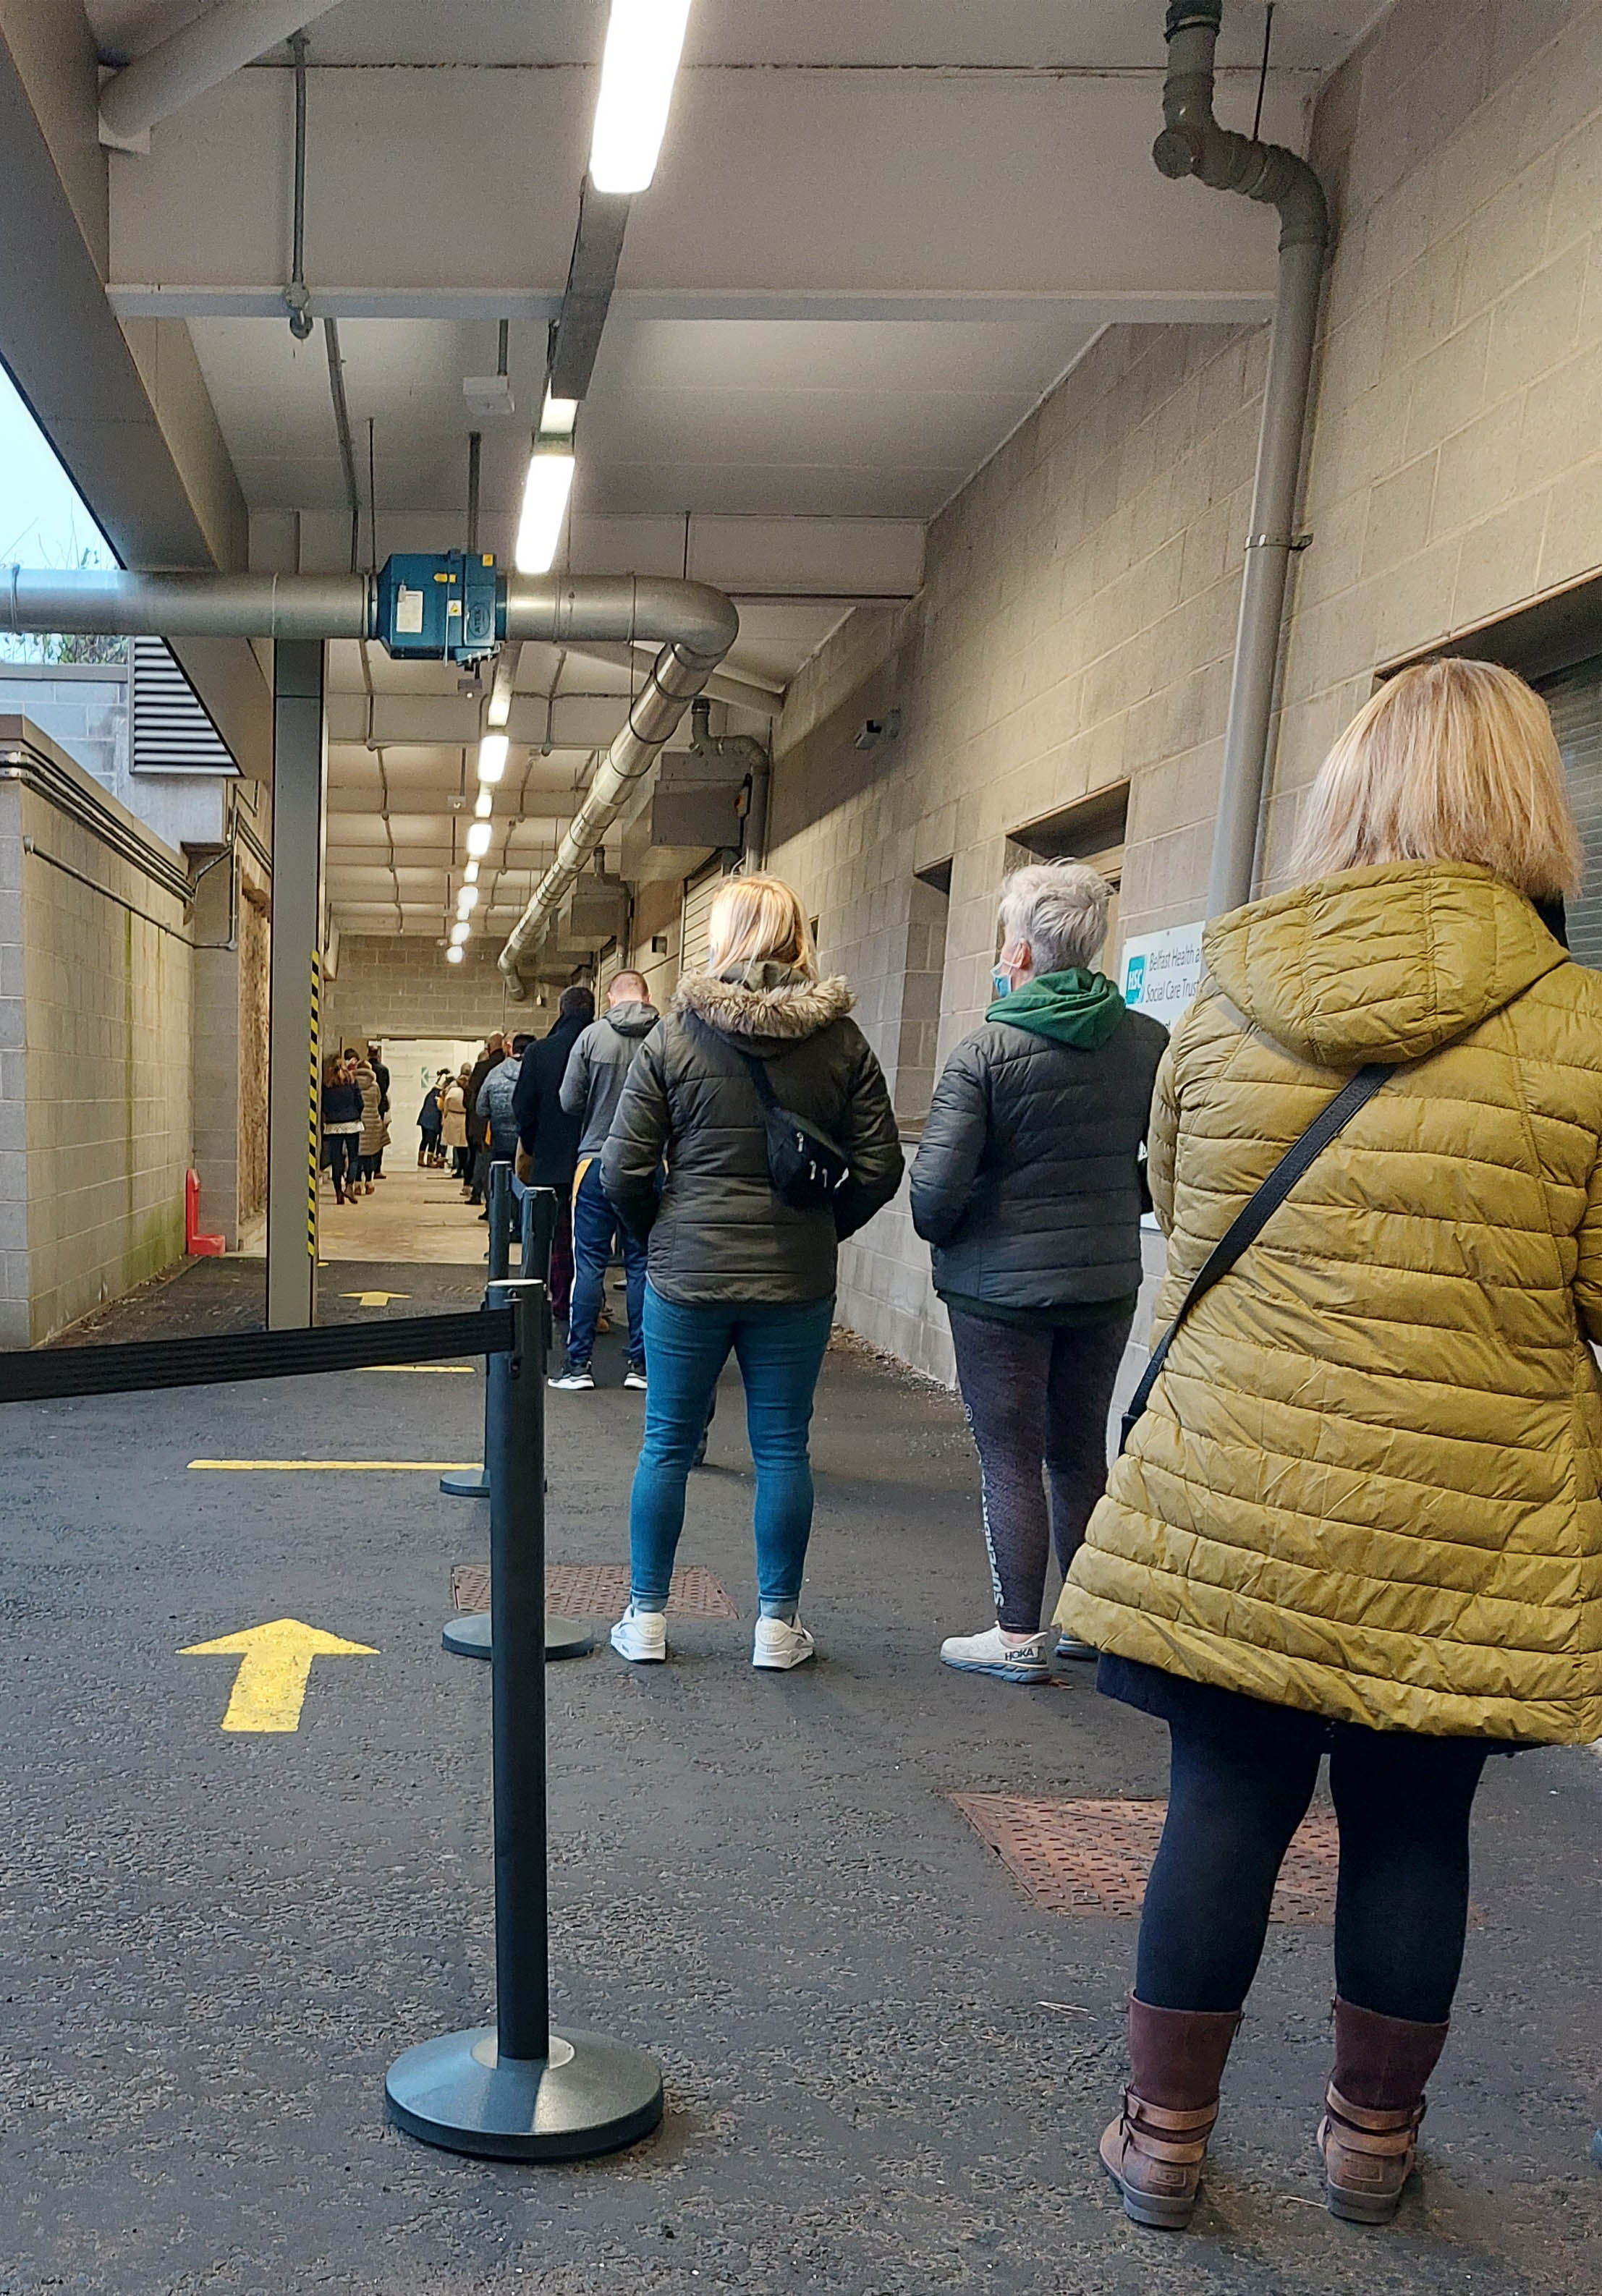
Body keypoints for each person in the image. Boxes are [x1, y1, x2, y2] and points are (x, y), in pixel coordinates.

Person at [1059, 660, 1602, 2231]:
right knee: (1417, 1823)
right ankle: (1371, 2144)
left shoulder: (1221, 1002)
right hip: (1468, 1502)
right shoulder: (1578, 1031)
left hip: (1239, 1484)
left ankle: (1162, 2137)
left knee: (1222, 1803)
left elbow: (1181, 1214)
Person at [602, 875, 903, 1668]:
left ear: (725, 939)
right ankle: (776, 1627)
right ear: (797, 937)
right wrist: (821, 1229)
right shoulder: (841, 1042)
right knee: (781, 1449)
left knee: (666, 1445)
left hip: (686, 1273)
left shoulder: (673, 1037)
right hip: (795, 1281)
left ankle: (648, 1620)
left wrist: (658, 1234)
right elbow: (881, 1166)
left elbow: (623, 1170)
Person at [910, 862, 1166, 1683]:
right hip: (1102, 1283)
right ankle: (1087, 1620)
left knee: (1009, 1455)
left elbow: (933, 1197)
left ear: (1020, 952)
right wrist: (1103, 1201)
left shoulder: (983, 1051)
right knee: (1076, 1449)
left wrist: (972, 1230)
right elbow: (1168, 1166)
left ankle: (1018, 1636)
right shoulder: (1148, 1042)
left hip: (998, 1292)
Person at [551, 973, 661, 1391]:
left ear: (611, 998)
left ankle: (578, 1365)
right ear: (647, 996)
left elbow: (568, 1100)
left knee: (588, 1266)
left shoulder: (592, 1037)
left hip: (595, 1161)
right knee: (642, 1267)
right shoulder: (669, 1036)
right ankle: (641, 1366)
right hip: (649, 1165)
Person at [512, 985, 594, 1317]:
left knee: (557, 1237)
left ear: (561, 1011)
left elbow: (523, 1106)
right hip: (598, 1159)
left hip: (552, 1158)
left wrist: (533, 1145)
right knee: (592, 1238)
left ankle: (560, 1301)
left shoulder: (540, 1052)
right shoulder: (601, 1046)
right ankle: (590, 1305)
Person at [464, 1033, 504, 1203]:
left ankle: (487, 1203)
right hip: (509, 1127)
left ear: (489, 1047)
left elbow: (471, 1101)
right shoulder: (516, 1066)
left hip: (484, 1125)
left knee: (484, 1162)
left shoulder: (482, 1068)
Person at [321, 1050, 363, 1204]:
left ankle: (338, 1192)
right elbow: (360, 1102)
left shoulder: (327, 1085)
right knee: (353, 1157)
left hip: (334, 1125)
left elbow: (324, 1106)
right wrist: (356, 1114)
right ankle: (350, 1186)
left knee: (336, 1159)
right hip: (352, 1123)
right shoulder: (352, 1082)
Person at [349, 1046, 383, 1194]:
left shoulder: (352, 1083)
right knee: (369, 1154)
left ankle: (357, 1184)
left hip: (357, 1121)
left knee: (356, 1154)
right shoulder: (374, 1086)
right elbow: (378, 1102)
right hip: (372, 1123)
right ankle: (369, 1183)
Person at [441, 1070, 470, 1178]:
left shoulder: (452, 1091)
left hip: (453, 1119)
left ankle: (459, 1168)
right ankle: (463, 1169)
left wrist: (445, 1117)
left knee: (457, 1147)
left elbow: (446, 1105)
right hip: (464, 1120)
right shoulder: (467, 1092)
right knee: (465, 1148)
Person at [368, 1043, 391, 1179]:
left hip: (365, 1109)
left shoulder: (362, 1069)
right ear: (378, 1055)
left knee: (364, 1140)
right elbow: (386, 1087)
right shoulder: (384, 1070)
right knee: (378, 1138)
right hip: (379, 1108)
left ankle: (365, 1169)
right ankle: (377, 1169)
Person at [417, 1072, 446, 1167]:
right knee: (432, 1140)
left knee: (425, 1140)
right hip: (432, 1122)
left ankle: (420, 1159)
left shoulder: (431, 1093)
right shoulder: (440, 1095)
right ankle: (430, 1161)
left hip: (424, 1120)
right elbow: (440, 1107)